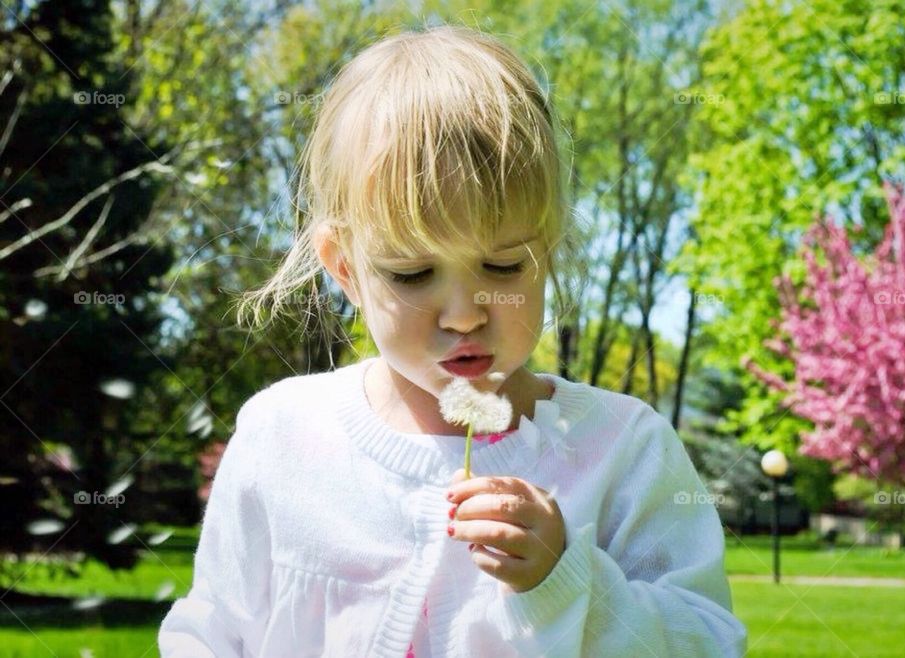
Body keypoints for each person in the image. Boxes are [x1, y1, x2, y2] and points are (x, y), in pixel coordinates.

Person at [158, 23, 747, 658]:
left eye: (503, 267)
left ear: (548, 252)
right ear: (345, 269)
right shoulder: (283, 436)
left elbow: (705, 643)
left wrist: (567, 578)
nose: (465, 315)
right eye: (412, 274)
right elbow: (212, 632)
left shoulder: (622, 450)